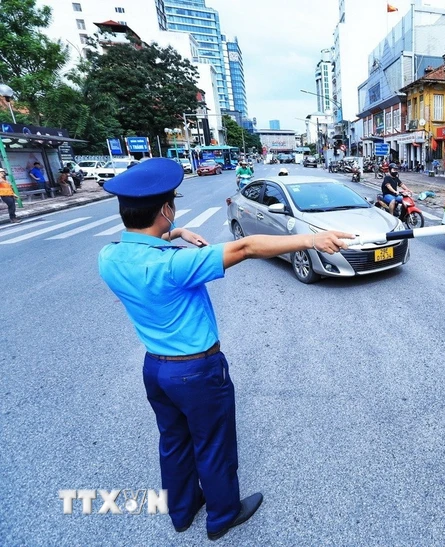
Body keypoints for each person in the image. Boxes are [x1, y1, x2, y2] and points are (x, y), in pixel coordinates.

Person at [97, 159, 352, 540]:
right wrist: (311, 239)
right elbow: (247, 247)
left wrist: (175, 231)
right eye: (173, 206)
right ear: (166, 209)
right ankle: (222, 516)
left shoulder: (110, 257)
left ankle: (182, 511)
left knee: (173, 441)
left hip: (155, 369)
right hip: (196, 372)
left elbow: (145, 248)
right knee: (213, 443)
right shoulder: (177, 265)